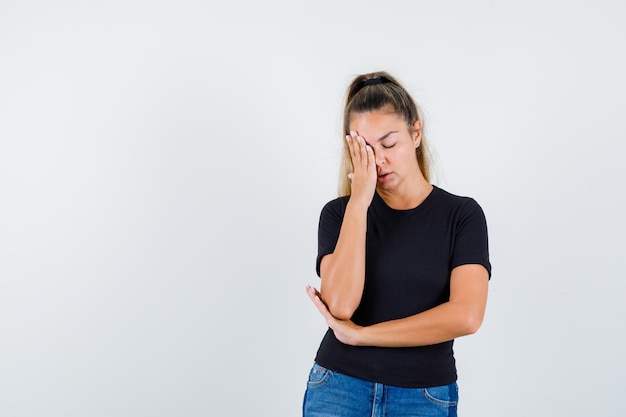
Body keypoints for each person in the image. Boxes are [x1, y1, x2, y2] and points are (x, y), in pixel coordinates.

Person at [303, 71, 491, 417]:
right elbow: (341, 307)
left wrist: (362, 336)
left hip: (423, 395)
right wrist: (359, 201)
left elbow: (466, 316)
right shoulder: (338, 214)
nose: (378, 160)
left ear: (415, 133)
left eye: (389, 144)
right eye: (365, 149)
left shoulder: (461, 215)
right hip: (339, 388)